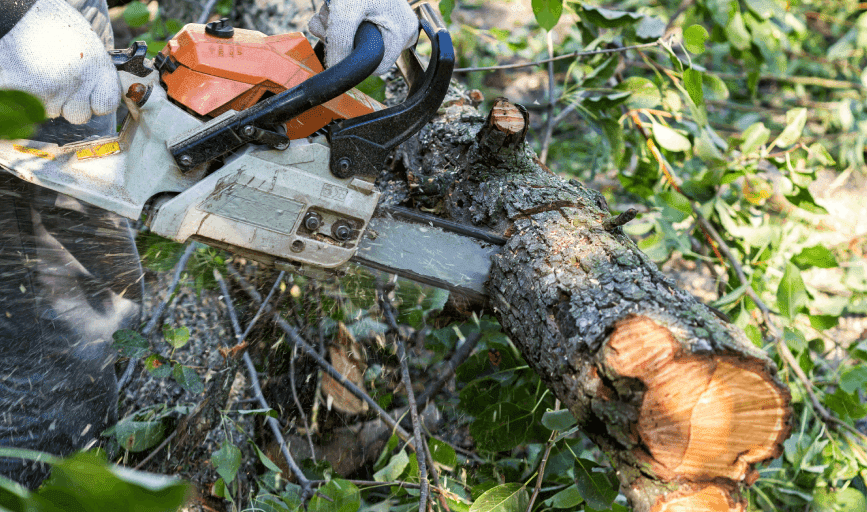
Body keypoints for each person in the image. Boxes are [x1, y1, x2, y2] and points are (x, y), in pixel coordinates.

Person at [0, 0, 418, 489]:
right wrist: (14, 16)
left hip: (59, 23)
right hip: (28, 29)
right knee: (42, 348)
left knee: (72, 321)